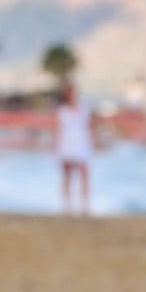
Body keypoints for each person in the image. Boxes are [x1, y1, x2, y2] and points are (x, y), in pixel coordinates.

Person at [54, 80, 95, 215]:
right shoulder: (62, 111)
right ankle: (67, 207)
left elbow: (90, 126)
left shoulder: (84, 108)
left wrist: (94, 142)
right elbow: (59, 129)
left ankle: (85, 206)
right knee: (67, 176)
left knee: (84, 175)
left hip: (82, 144)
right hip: (67, 144)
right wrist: (57, 148)